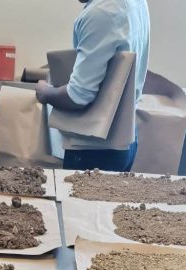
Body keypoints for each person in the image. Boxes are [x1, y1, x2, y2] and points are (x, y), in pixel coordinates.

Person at [35, 0, 150, 172]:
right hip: (126, 138)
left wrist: (46, 93)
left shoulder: (101, 13)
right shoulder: (136, 2)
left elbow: (78, 96)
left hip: (94, 147)